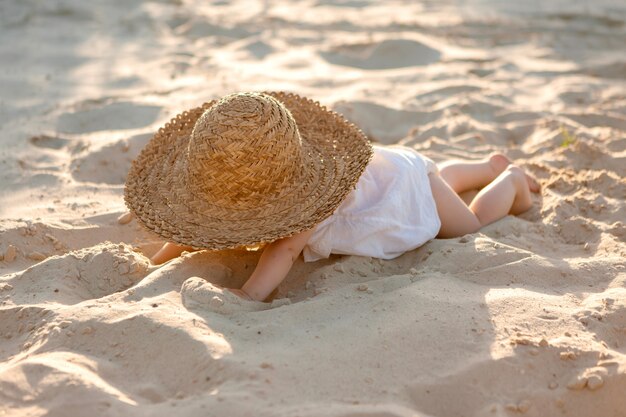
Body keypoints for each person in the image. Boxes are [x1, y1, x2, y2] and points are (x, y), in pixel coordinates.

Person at [125, 92, 540, 304]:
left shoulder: (307, 197)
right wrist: (163, 256)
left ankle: (508, 178)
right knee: (432, 179)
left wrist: (251, 295)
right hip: (393, 170)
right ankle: (481, 167)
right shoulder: (240, 177)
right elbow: (194, 226)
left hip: (397, 187)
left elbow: (285, 250)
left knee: (465, 224)